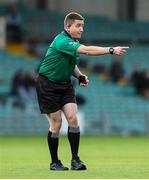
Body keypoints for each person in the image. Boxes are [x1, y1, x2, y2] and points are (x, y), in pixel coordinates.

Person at [36, 12, 129, 171]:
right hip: (47, 85)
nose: (81, 29)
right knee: (57, 124)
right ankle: (54, 162)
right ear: (67, 27)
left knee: (73, 118)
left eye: (82, 26)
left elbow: (71, 64)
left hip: (65, 84)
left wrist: (79, 76)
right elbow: (86, 50)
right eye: (78, 26)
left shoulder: (72, 42)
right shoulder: (62, 41)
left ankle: (75, 160)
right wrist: (111, 50)